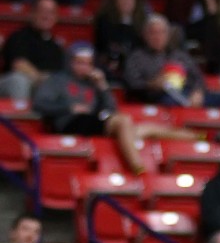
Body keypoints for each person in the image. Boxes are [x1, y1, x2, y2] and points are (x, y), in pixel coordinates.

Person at [34, 42, 195, 174]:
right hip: (70, 123)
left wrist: (103, 87)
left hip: (92, 122)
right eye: (79, 62)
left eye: (88, 63)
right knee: (123, 121)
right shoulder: (56, 80)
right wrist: (69, 108)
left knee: (147, 129)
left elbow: (111, 109)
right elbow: (40, 104)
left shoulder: (93, 82)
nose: (84, 67)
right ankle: (139, 168)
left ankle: (197, 138)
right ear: (70, 62)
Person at [123, 14, 205, 107]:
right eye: (153, 33)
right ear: (145, 35)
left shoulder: (180, 55)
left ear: (168, 35)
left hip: (189, 93)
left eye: (162, 32)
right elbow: (131, 83)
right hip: (158, 98)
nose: (158, 37)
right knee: (171, 101)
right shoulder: (136, 57)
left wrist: (198, 91)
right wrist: (151, 84)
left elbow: (198, 77)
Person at [0, 0, 64, 100]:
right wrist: (41, 78)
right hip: (13, 83)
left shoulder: (56, 46)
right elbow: (19, 65)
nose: (46, 16)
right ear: (32, 13)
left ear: (56, 17)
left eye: (51, 12)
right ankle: (20, 114)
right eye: (43, 11)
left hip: (44, 86)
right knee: (19, 80)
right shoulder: (19, 37)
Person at [93, 0, 145, 83]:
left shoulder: (142, 24)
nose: (126, 0)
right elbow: (103, 46)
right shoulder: (104, 21)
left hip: (134, 68)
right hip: (108, 66)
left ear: (136, 1)